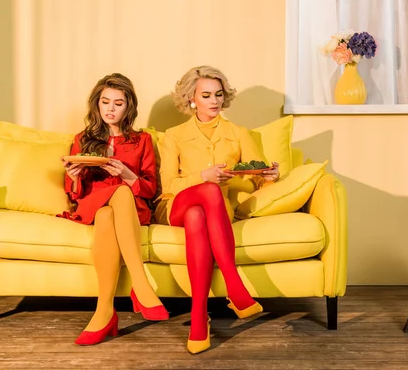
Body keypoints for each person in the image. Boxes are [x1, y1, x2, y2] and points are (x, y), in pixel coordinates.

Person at [154, 65, 280, 354]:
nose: (214, 101)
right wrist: (202, 177)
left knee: (199, 214)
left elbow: (255, 171)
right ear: (192, 100)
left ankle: (199, 317)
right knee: (209, 189)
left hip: (212, 212)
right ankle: (234, 287)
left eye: (219, 95)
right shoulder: (173, 136)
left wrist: (269, 175)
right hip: (175, 204)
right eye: (206, 95)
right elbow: (169, 185)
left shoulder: (238, 134)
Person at [60, 73, 169, 346]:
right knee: (109, 201)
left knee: (115, 203)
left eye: (118, 103)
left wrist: (128, 174)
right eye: (105, 102)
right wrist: (74, 175)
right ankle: (141, 285)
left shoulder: (141, 140)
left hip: (129, 209)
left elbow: (150, 189)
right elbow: (75, 193)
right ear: (97, 104)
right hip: (93, 203)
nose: (110, 109)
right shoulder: (82, 138)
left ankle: (104, 311)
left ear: (128, 106)